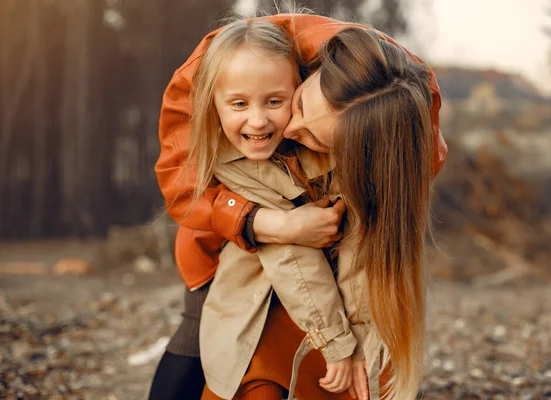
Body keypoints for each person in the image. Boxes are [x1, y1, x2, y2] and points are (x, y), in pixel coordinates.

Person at [150, 13, 447, 400]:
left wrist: (351, 342)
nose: (290, 130)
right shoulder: (226, 78)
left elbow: (370, 242)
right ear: (309, 74)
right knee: (200, 330)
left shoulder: (397, 131)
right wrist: (269, 224)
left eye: (316, 139)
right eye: (301, 107)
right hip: (216, 223)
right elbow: (181, 184)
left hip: (322, 236)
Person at [184, 18, 358, 398]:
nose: (258, 120)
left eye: (275, 101)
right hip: (239, 279)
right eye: (239, 103)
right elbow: (291, 258)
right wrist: (336, 343)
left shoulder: (318, 143)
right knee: (195, 344)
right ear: (213, 103)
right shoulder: (234, 164)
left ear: (300, 92)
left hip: (309, 297)